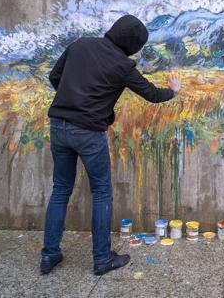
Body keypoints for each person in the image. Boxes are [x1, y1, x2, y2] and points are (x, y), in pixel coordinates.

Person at [40, 14, 181, 276]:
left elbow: (54, 77)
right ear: (133, 45)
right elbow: (151, 94)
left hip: (59, 124)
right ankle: (102, 259)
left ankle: (49, 255)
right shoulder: (122, 65)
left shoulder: (80, 44)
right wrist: (173, 91)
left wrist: (73, 98)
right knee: (102, 192)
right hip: (88, 131)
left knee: (60, 189)